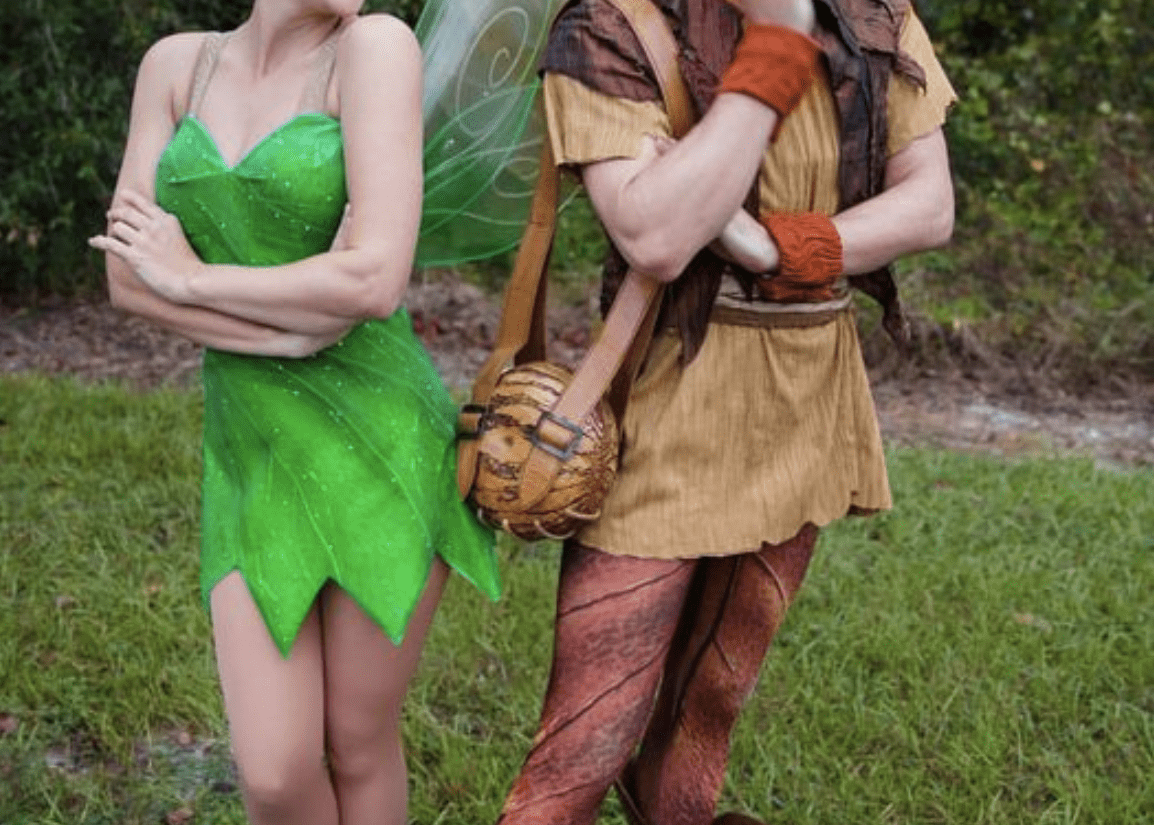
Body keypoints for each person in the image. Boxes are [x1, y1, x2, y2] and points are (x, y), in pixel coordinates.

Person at [492, 0, 956, 823]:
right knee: (582, 745)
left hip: (808, 397)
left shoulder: (872, 15)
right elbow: (659, 235)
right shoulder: (614, 23)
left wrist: (775, 247)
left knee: (708, 711)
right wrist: (776, 43)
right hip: (667, 401)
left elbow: (929, 205)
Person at [87, 1, 505, 823]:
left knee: (357, 740)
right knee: (274, 770)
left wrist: (193, 279)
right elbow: (127, 276)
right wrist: (289, 333)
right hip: (251, 450)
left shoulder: (372, 49)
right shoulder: (175, 68)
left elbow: (373, 279)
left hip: (377, 442)